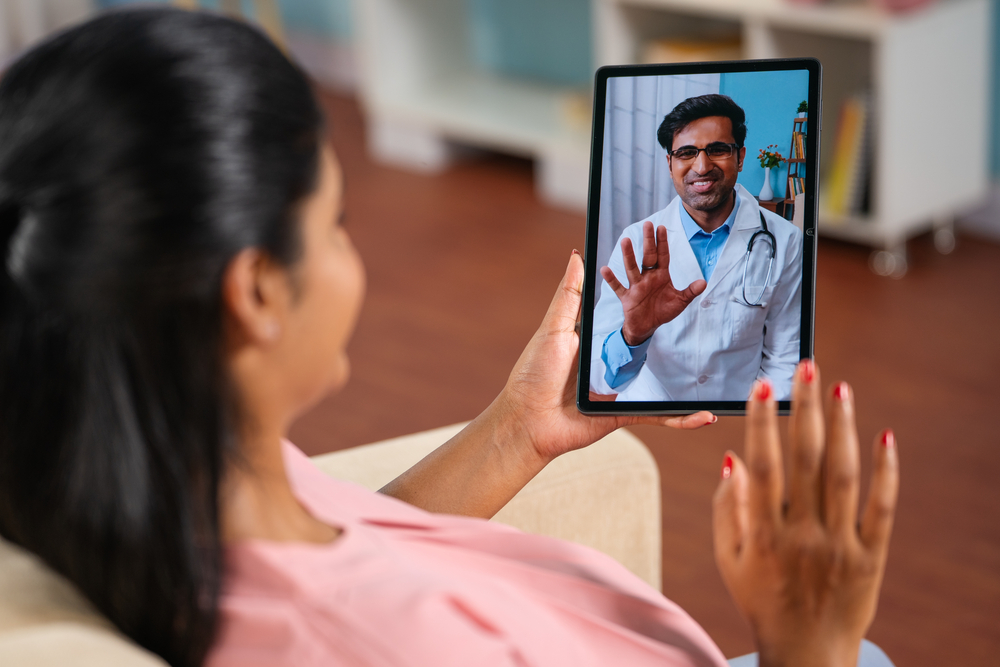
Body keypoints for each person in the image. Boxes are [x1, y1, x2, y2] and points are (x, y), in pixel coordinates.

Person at [0, 9, 898, 667]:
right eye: (337, 223)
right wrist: (805, 647)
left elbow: (349, 539)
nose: (702, 168)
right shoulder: (380, 638)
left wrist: (515, 428)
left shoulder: (179, 469)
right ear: (257, 292)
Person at [592, 94, 803, 402]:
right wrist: (633, 336)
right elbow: (599, 377)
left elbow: (785, 358)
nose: (702, 167)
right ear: (670, 163)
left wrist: (755, 420)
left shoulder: (785, 240)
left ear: (740, 157)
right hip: (651, 414)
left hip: (738, 413)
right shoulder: (637, 240)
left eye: (718, 150)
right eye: (687, 153)